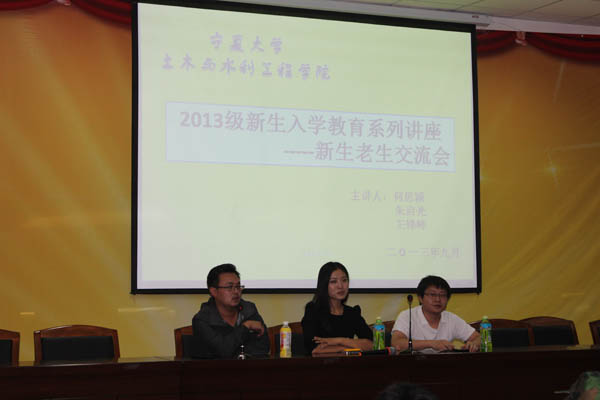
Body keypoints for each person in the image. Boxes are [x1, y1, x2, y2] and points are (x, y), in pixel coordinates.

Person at [192, 263, 269, 358]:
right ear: (214, 291)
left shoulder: (249, 310)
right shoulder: (202, 320)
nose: (236, 291)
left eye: (238, 286)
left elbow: (263, 348)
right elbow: (222, 351)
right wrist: (246, 327)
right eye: (229, 287)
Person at [391, 275, 480, 352]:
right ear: (420, 298)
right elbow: (396, 343)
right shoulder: (407, 316)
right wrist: (432, 343)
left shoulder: (451, 318)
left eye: (442, 295)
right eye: (432, 295)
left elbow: (478, 338)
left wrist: (473, 344)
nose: (438, 299)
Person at [301, 261, 373, 355]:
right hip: (321, 363)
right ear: (324, 285)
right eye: (333, 281)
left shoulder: (352, 313)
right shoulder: (313, 310)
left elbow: (371, 345)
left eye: (344, 280)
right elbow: (315, 349)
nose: (340, 286)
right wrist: (347, 347)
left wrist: (339, 341)